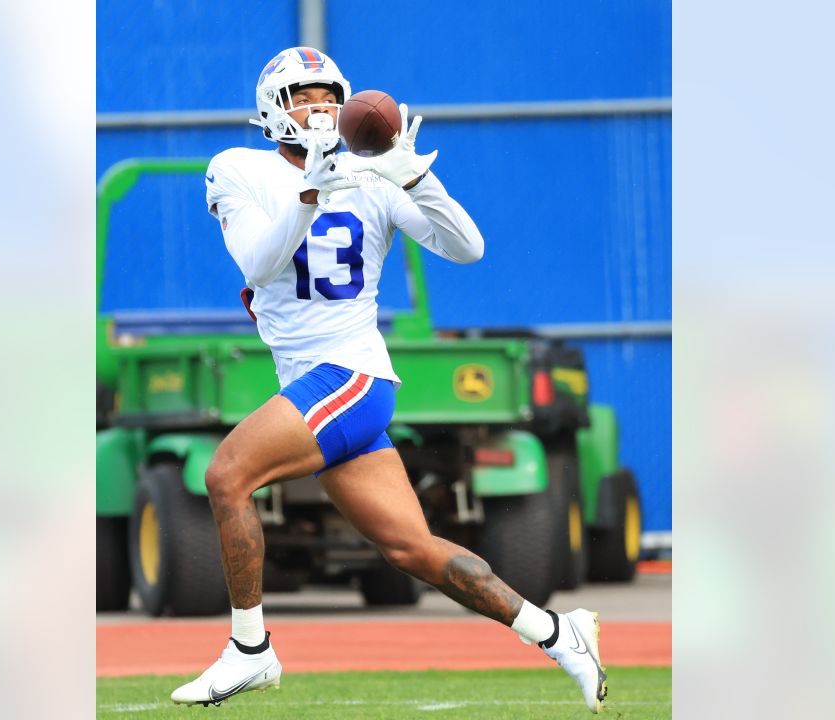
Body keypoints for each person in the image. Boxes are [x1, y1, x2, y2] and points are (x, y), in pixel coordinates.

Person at [170, 46, 608, 714]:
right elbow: (258, 264)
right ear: (271, 109)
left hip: (348, 372)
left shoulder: (371, 175)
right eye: (301, 97)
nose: (316, 109)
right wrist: (309, 193)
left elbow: (468, 248)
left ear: (344, 105)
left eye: (326, 97)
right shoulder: (238, 169)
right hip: (321, 379)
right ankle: (558, 632)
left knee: (227, 474)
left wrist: (413, 179)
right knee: (412, 549)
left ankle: (250, 652)